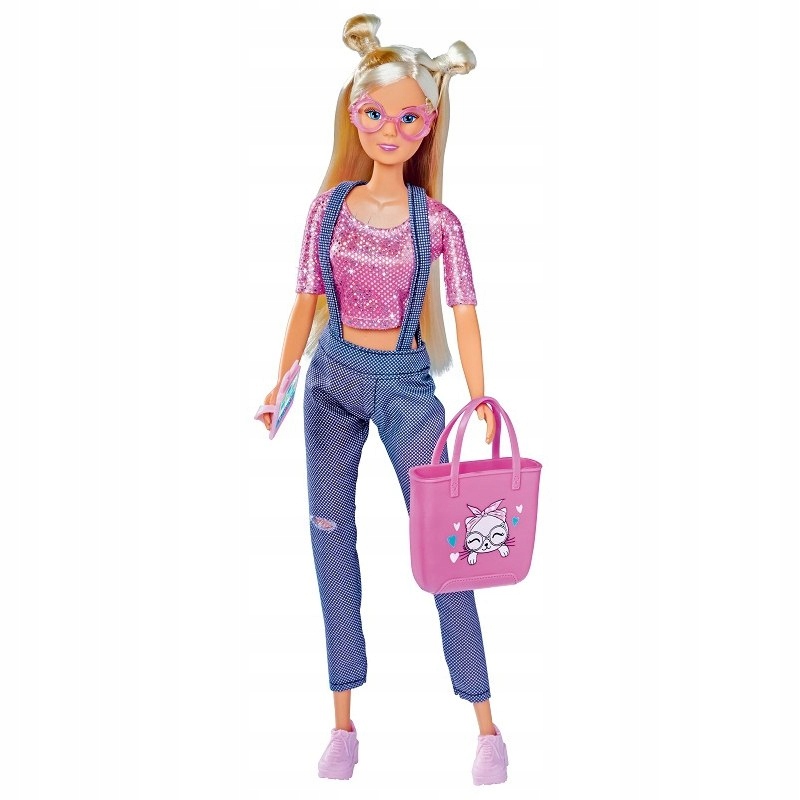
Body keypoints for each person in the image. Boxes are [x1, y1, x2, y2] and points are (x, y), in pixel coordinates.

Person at [259, 14, 509, 785]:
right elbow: (305, 300)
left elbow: (465, 313)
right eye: (374, 114)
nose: (389, 130)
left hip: (407, 390)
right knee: (331, 540)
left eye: (407, 118)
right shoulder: (329, 209)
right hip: (331, 381)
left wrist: (481, 397)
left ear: (429, 124)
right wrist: (280, 381)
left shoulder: (438, 222)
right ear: (352, 114)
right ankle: (342, 721)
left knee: (447, 551)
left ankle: (485, 719)